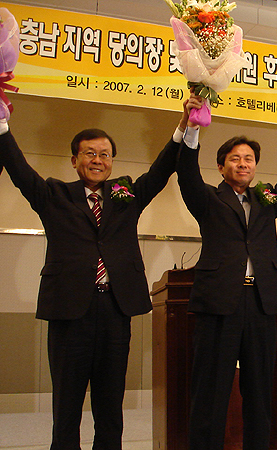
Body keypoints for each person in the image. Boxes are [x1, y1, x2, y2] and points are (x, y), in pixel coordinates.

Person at [0, 99, 190, 448]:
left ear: (112, 161)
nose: (98, 160)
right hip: (69, 310)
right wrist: (2, 126)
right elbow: (19, 170)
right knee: (67, 404)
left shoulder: (125, 195)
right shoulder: (54, 195)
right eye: (89, 154)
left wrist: (183, 127)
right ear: (75, 161)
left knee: (110, 403)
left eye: (104, 154)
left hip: (116, 309)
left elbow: (161, 170)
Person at [177, 96, 277, 450]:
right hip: (219, 304)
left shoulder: (266, 200)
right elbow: (186, 172)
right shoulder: (208, 198)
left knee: (260, 391)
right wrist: (192, 128)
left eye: (249, 159)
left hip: (261, 303)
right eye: (235, 159)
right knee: (210, 391)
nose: (243, 164)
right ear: (221, 167)